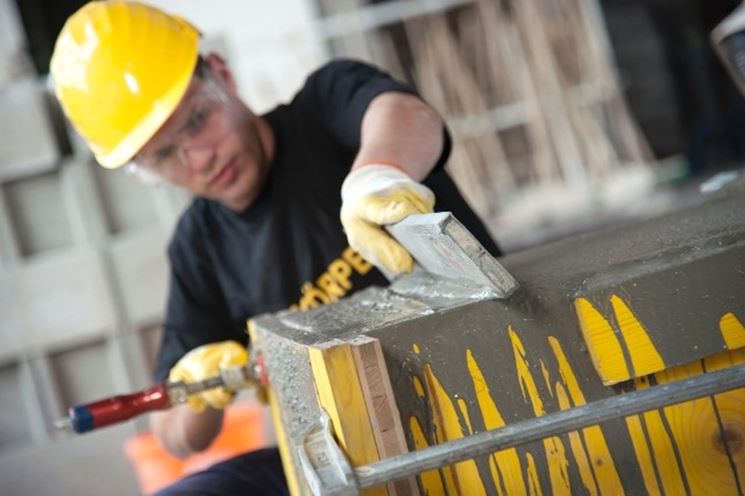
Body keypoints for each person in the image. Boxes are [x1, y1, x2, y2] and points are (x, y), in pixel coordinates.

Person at [50, 1, 501, 494]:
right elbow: (173, 438)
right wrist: (200, 393)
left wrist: (378, 174)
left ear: (221, 74)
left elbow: (406, 113)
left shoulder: (323, 109)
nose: (199, 158)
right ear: (144, 172)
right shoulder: (199, 247)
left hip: (485, 386)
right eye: (164, 155)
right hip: (346, 460)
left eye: (197, 120)